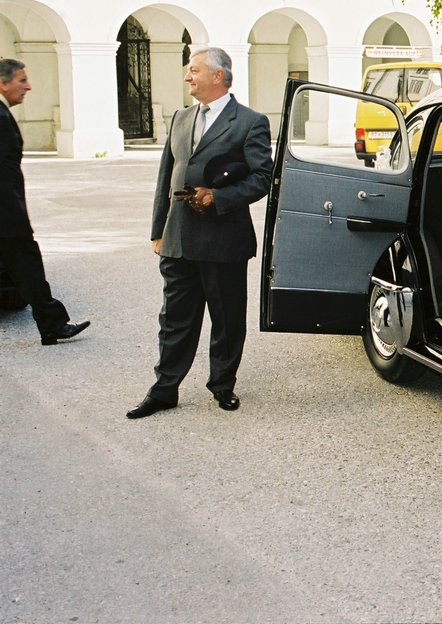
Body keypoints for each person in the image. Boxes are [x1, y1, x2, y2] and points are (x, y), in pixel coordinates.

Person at [126, 46, 273, 419]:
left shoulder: (250, 122)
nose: (187, 77)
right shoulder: (180, 118)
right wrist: (158, 230)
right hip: (178, 239)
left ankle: (222, 385)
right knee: (174, 319)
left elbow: (263, 178)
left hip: (224, 241)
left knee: (226, 320)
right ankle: (164, 389)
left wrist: (218, 197)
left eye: (194, 70)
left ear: (218, 76)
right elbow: (166, 178)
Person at [0, 58, 90, 345]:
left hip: (8, 209)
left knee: (26, 268)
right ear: (3, 83)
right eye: (21, 80)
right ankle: (52, 324)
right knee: (27, 266)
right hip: (6, 212)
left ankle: (52, 324)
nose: (28, 86)